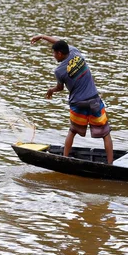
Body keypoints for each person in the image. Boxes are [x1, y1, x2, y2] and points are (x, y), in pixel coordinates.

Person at [30, 35, 114, 164]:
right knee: (105, 133)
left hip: (78, 103)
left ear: (59, 53)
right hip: (93, 100)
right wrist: (42, 37)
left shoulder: (59, 71)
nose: (53, 56)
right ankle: (110, 164)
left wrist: (51, 90)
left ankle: (65, 158)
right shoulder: (75, 52)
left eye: (54, 53)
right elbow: (59, 42)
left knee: (72, 131)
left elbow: (60, 87)